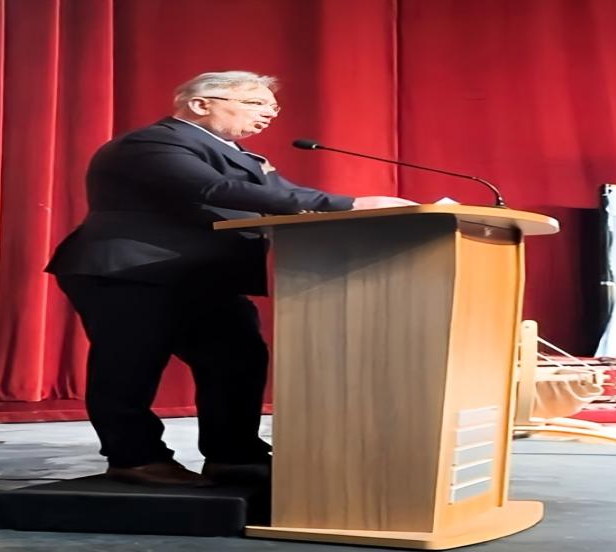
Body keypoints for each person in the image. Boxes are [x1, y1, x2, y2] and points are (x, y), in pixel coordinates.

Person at [45, 71, 413, 486]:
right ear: (200, 104)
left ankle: (234, 455)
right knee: (130, 365)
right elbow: (213, 189)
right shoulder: (153, 143)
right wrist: (349, 204)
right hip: (135, 270)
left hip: (203, 277)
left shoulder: (240, 154)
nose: (269, 114)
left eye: (273, 107)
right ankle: (135, 458)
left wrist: (346, 211)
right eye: (256, 103)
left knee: (237, 359)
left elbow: (284, 199)